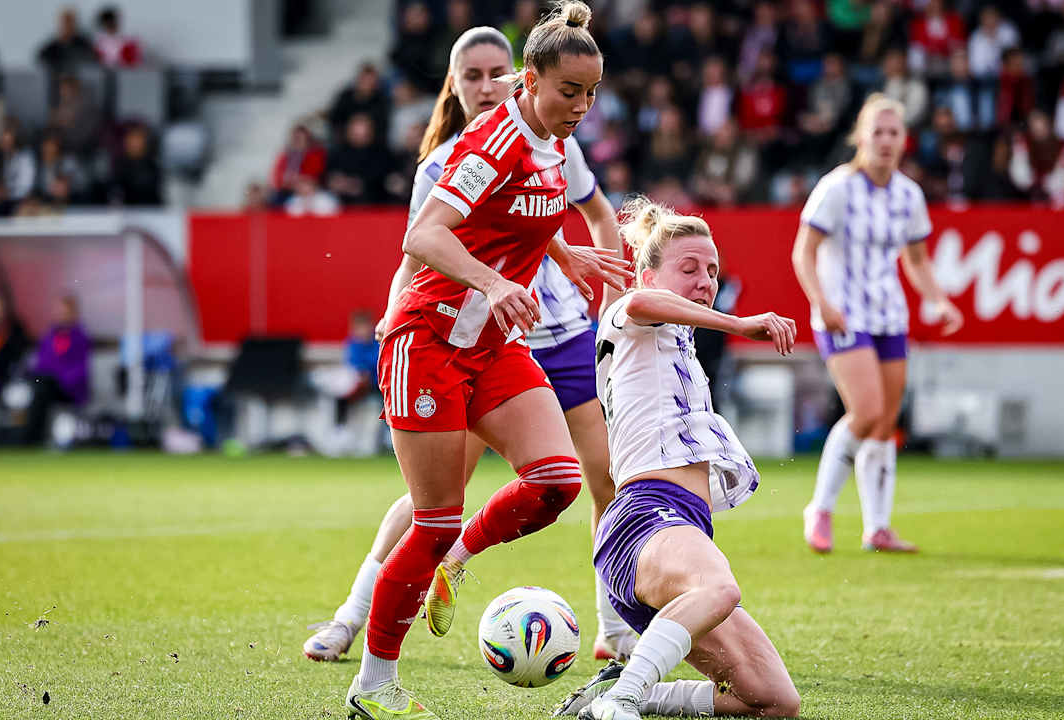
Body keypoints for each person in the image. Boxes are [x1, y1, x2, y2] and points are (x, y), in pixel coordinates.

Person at [307, 18, 632, 671]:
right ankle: (354, 621)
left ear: (517, 72)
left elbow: (570, 214)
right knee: (433, 505)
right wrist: (401, 309)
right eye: (472, 76)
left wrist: (583, 268)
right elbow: (425, 242)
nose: (487, 85)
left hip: (553, 333)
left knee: (596, 480)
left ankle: (616, 631)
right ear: (453, 88)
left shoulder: (555, 138)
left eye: (495, 72)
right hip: (459, 333)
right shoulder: (459, 155)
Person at [552, 197, 801, 720]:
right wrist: (736, 323)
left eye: (712, 270)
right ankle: (620, 702)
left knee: (775, 702)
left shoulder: (675, 344)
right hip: (642, 519)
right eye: (688, 268)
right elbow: (640, 305)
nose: (705, 280)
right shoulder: (628, 314)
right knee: (720, 586)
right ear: (647, 274)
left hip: (677, 529)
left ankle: (612, 696)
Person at [792, 94, 964, 554]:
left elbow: (917, 260)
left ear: (904, 140)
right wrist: (820, 301)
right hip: (843, 313)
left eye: (894, 133)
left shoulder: (909, 194)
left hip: (889, 314)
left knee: (885, 423)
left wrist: (939, 301)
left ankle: (878, 527)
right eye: (877, 133)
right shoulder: (836, 188)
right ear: (861, 138)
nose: (886, 141)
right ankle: (821, 508)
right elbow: (803, 251)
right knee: (865, 413)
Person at [24, 295, 91, 445]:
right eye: (60, 312)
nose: (62, 315)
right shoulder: (49, 336)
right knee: (39, 386)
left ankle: (31, 438)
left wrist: (58, 378)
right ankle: (31, 435)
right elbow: (41, 362)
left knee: (42, 388)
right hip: (47, 384)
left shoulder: (80, 337)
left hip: (69, 388)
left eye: (66, 312)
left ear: (74, 313)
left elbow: (81, 369)